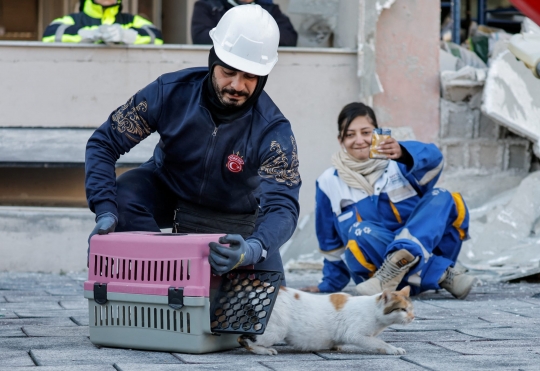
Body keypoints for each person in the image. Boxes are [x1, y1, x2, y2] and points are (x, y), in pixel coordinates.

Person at [85, 5, 301, 278]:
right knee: (124, 192)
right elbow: (104, 143)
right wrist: (104, 209)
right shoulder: (169, 92)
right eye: (228, 71)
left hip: (237, 220)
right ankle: (167, 275)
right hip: (169, 192)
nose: (237, 85)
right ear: (213, 60)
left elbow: (283, 206)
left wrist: (254, 248)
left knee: (264, 306)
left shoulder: (273, 131)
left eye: (250, 76)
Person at [302, 102, 476, 299]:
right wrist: (329, 285)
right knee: (359, 231)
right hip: (375, 279)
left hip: (387, 281)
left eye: (366, 132)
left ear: (377, 133)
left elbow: (435, 159)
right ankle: (442, 274)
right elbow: (330, 242)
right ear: (340, 139)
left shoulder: (399, 164)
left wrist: (402, 152)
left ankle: (402, 264)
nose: (359, 140)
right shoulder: (328, 182)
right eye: (350, 135)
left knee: (445, 197)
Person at [42, 0, 163, 45]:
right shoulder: (74, 20)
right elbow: (49, 34)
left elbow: (156, 37)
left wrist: (126, 35)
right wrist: (88, 34)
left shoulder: (131, 21)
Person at [191, 0, 298, 47]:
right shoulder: (208, 5)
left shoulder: (269, 9)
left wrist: (260, 33)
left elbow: (290, 38)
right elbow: (201, 38)